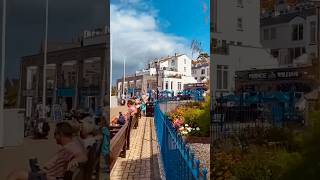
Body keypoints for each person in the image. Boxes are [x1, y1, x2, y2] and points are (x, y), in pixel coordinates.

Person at [7, 122, 87, 180]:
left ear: (61, 135)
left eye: (55, 134)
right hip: (46, 174)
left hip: (48, 177)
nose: (54, 137)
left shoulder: (70, 147)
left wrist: (76, 159)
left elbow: (83, 157)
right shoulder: (69, 146)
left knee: (16, 174)